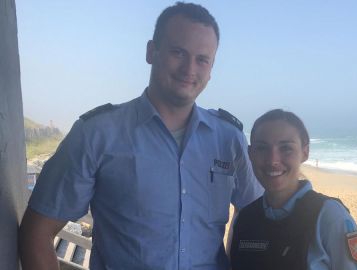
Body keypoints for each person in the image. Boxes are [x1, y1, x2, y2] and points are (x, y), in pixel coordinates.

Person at [18, 3, 263, 270]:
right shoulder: (96, 134)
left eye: (202, 59)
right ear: (151, 51)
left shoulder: (229, 138)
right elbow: (36, 233)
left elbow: (256, 214)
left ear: (211, 68)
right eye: (178, 52)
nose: (189, 69)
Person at [230, 109, 357, 270]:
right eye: (262, 148)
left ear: (305, 152)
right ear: (250, 154)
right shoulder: (245, 220)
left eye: (286, 148)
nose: (273, 160)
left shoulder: (329, 216)